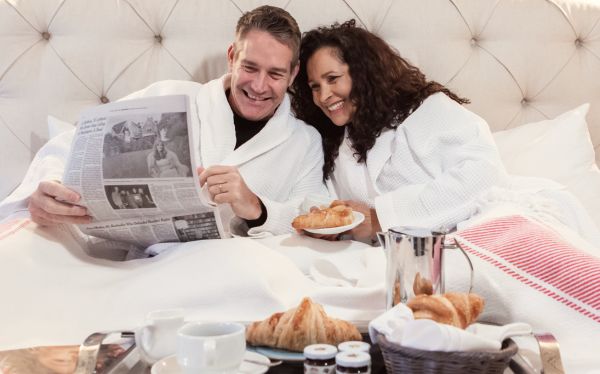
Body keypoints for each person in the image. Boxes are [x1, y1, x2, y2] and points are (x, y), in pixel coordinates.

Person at [19, 5, 325, 237]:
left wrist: (257, 208)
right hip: (141, 260)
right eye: (249, 67)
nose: (258, 86)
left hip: (235, 269)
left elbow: (317, 218)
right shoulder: (169, 96)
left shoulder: (304, 142)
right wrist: (52, 187)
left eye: (275, 74)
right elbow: (73, 144)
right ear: (231, 57)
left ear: (293, 74)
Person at [290, 20, 600, 243]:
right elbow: (324, 202)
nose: (324, 96)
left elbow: (483, 174)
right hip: (416, 253)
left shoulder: (426, 110)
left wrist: (380, 217)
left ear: (363, 74)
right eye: (315, 86)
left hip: (497, 222)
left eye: (333, 78)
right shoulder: (337, 145)